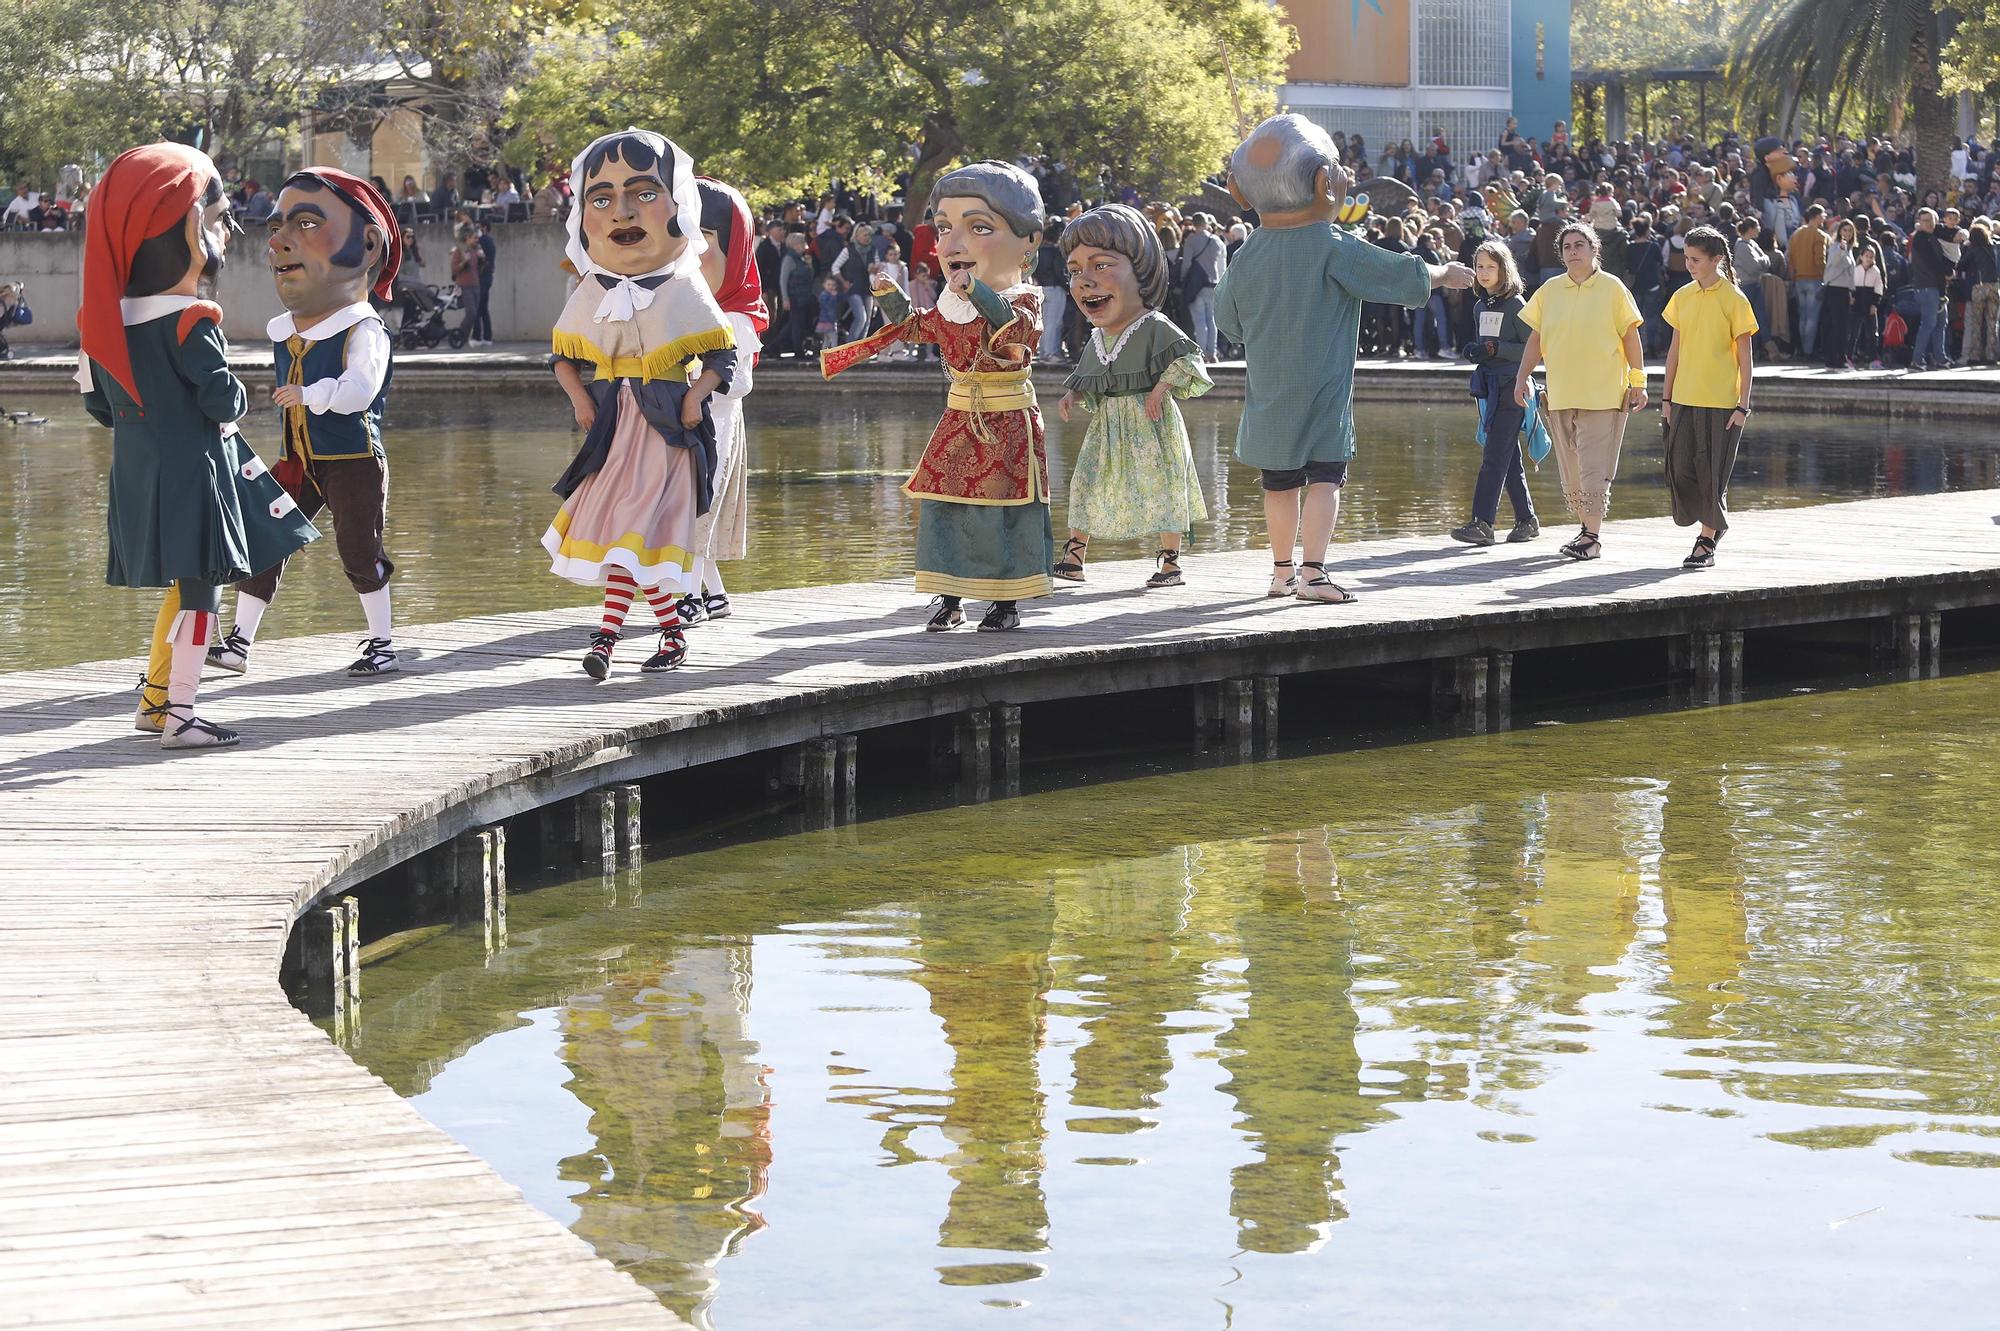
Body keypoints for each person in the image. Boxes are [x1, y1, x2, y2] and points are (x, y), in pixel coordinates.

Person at [78, 143, 318, 749]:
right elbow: (221, 402)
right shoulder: (191, 317)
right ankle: (181, 716)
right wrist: (239, 390)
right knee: (203, 592)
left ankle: (155, 703)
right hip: (196, 469)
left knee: (183, 587)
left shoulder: (103, 325)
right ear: (182, 230)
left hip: (136, 470)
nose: (231, 229)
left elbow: (99, 407)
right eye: (217, 218)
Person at [1216, 114, 1473, 604]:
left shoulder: (1246, 252)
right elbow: (1395, 275)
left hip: (1269, 384)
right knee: (1325, 475)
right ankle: (1313, 573)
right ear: (1323, 182)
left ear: (1240, 192)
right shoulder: (1331, 244)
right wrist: (1445, 274)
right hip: (1322, 385)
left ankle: (1280, 573)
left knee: (1279, 480)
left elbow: (1227, 320)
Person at [822, 160, 1053, 632]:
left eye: (979, 227)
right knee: (942, 503)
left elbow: (1013, 334)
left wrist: (980, 293)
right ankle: (948, 598)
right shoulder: (951, 302)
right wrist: (890, 297)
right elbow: (918, 327)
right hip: (958, 418)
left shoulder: (1027, 298)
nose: (953, 244)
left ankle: (1005, 601)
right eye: (944, 228)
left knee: (1001, 510)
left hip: (1006, 420)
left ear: (1029, 242)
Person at [542, 129, 737, 679]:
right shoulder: (592, 291)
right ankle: (661, 637)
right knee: (623, 538)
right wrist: (580, 398)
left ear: (678, 204)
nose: (621, 212)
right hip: (613, 429)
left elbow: (724, 357)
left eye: (644, 194)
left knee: (637, 537)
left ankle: (609, 640)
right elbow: (560, 356)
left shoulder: (684, 288)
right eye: (600, 200)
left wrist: (697, 398)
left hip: (668, 428)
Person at [209, 169, 406, 679]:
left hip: (352, 460)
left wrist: (309, 394)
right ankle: (239, 643)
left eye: (306, 222)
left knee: (359, 551)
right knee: (265, 542)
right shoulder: (288, 332)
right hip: (298, 459)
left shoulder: (364, 329)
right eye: (277, 226)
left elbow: (359, 391)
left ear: (367, 245)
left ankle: (382, 644)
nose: (278, 241)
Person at [1051, 204, 1211, 588]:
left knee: (1162, 486)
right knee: (1086, 480)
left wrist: (1161, 388)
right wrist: (1073, 393)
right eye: (1075, 271)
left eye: (1101, 265)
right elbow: (1093, 371)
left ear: (1142, 272)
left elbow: (1189, 358)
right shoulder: (1098, 335)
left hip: (1150, 421)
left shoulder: (1153, 325)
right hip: (1108, 423)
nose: (1085, 281)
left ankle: (1170, 563)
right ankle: (1074, 556)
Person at [1511, 222, 1646, 562]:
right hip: (1561, 393)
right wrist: (1521, 378)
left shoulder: (1613, 288)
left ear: (1594, 249)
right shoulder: (1550, 289)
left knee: (1592, 468)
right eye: (1567, 247)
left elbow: (1631, 336)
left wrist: (1639, 382)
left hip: (1602, 393)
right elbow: (1536, 339)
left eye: (1579, 245)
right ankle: (1586, 531)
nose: (1573, 251)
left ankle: (1593, 536)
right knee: (1571, 469)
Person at [680, 175, 771, 625]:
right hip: (686, 421)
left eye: (705, 239)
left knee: (700, 503)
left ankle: (687, 597)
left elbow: (738, 381)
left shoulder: (735, 315)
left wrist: (695, 382)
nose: (691, 251)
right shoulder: (688, 307)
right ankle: (712, 593)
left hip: (716, 423)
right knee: (691, 504)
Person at [1661, 226, 1757, 570]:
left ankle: (1706, 540)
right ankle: (1714, 525)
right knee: (1680, 468)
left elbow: (1746, 359)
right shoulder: (1682, 296)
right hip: (1684, 399)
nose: (1689, 265)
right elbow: (1674, 351)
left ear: (1717, 260)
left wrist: (1743, 406)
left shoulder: (1734, 299)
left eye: (1696, 259)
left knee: (1712, 473)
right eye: (1686, 258)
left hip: (1722, 403)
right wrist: (1666, 399)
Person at [1449, 239, 1540, 547]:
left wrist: (1497, 348)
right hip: (1490, 387)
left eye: (1491, 267)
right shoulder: (1479, 306)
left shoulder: (1516, 304)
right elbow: (1487, 342)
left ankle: (1483, 523)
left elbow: (1534, 348)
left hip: (1514, 387)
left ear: (1504, 269)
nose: (1484, 272)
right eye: (1479, 267)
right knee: (1506, 454)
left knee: (1494, 455)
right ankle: (1527, 520)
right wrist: (1478, 352)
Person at [1179, 213, 1228, 361]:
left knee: (1199, 320)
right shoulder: (1217, 241)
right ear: (1207, 223)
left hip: (1196, 285)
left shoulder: (1191, 240)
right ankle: (1212, 353)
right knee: (1211, 319)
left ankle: (1201, 353)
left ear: (1193, 224)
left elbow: (1186, 263)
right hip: (1213, 283)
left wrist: (1183, 278)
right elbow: (1222, 266)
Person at [1906, 207, 1951, 370]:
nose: (1928, 223)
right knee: (1929, 323)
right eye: (1924, 220)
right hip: (1926, 287)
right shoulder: (1920, 239)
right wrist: (1947, 272)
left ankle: (1940, 357)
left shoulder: (1933, 238)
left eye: (1931, 220)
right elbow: (1932, 263)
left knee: (1941, 323)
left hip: (1937, 287)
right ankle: (1917, 360)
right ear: (1919, 222)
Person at [1789, 204, 1829, 362]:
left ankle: (1803, 349)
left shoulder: (1796, 234)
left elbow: (1790, 259)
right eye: (1823, 215)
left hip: (1799, 279)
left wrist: (1794, 277)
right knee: (1812, 317)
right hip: (1815, 279)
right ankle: (1808, 351)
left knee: (1803, 316)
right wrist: (1825, 276)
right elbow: (1821, 260)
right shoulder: (1820, 236)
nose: (1824, 218)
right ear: (1818, 217)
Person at [1821, 217, 1858, 370]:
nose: (1847, 233)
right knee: (1838, 326)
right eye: (1845, 230)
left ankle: (1836, 358)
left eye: (1850, 230)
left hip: (1843, 290)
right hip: (1835, 289)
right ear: (1839, 231)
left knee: (1840, 326)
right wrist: (1841, 249)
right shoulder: (1837, 246)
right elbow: (1834, 263)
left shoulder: (1849, 249)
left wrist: (1851, 292)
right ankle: (1837, 358)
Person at [1960, 218, 1998, 364]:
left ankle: (1975, 355)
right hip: (1994, 286)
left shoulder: (1972, 249)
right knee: (1992, 323)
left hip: (1978, 286)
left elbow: (1961, 266)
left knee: (1976, 323)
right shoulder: (1994, 247)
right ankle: (1991, 355)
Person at [1033, 220, 1069, 361]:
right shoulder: (1056, 251)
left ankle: (1043, 352)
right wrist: (1067, 286)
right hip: (1055, 287)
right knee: (1054, 322)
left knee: (1044, 322)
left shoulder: (1038, 251)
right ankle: (1050, 353)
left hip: (1041, 287)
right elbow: (1059, 272)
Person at [778, 232, 816, 357]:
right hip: (795, 296)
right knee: (796, 326)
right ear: (795, 245)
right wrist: (785, 298)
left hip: (804, 296)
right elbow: (783, 280)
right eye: (802, 243)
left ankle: (773, 347)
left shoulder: (801, 259)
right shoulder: (789, 259)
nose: (805, 245)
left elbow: (809, 276)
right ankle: (797, 351)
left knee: (794, 324)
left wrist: (810, 265)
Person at [1852, 243, 1886, 367]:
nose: (1869, 259)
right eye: (1867, 256)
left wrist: (1875, 304)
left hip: (1870, 303)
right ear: (1861, 257)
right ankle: (1849, 355)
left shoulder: (1875, 271)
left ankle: (1873, 357)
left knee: (1872, 332)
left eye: (1871, 257)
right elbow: (1852, 287)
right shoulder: (1855, 270)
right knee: (1853, 331)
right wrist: (1852, 297)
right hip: (1857, 304)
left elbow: (1878, 289)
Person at [450, 226, 483, 336]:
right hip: (465, 286)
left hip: (475, 285)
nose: (477, 240)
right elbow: (454, 269)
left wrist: (482, 259)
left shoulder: (475, 251)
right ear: (468, 239)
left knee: (475, 314)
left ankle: (463, 336)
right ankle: (461, 334)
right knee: (471, 313)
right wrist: (464, 262)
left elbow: (478, 270)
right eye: (475, 238)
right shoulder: (459, 252)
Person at [471, 220, 497, 346]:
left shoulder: (482, 241)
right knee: (483, 308)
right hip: (488, 277)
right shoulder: (490, 241)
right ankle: (487, 337)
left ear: (484, 227)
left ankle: (477, 337)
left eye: (478, 227)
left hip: (482, 278)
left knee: (477, 307)